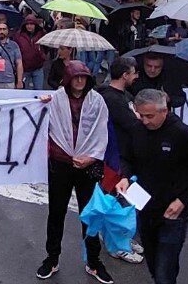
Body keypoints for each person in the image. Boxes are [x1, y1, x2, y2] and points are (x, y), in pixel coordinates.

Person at [117, 89, 188, 284]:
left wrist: (183, 201)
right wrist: (125, 177)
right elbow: (126, 157)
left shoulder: (182, 134)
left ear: (164, 111)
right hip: (145, 209)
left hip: (173, 215)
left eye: (150, 116)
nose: (145, 121)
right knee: (154, 267)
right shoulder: (137, 130)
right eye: (140, 115)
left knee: (164, 273)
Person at [37, 61, 112, 284]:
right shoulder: (55, 99)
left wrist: (91, 157)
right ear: (68, 78)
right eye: (76, 77)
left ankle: (93, 261)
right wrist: (39, 104)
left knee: (89, 215)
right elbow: (38, 119)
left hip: (86, 164)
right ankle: (52, 258)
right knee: (56, 212)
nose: (80, 81)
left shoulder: (97, 101)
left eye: (84, 77)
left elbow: (101, 131)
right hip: (60, 163)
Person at [96, 56, 145, 264]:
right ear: (125, 75)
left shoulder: (117, 95)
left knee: (125, 199)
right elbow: (133, 125)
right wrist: (140, 118)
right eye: (134, 72)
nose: (137, 76)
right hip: (114, 159)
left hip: (121, 157)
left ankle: (121, 237)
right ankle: (117, 245)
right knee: (120, 201)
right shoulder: (113, 99)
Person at [13, 15, 47, 90]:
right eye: (27, 24)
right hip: (24, 69)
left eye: (31, 24)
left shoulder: (41, 33)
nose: (29, 26)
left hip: (38, 68)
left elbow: (46, 46)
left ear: (35, 25)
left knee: (39, 91)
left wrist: (42, 55)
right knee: (24, 92)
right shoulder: (18, 35)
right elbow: (15, 49)